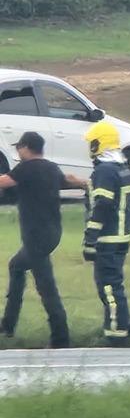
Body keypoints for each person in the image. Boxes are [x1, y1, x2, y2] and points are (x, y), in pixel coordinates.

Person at [0, 131, 86, 348]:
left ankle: (60, 338)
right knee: (16, 266)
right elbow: (67, 181)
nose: (18, 152)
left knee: (46, 286)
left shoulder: (26, 168)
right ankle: (8, 325)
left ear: (27, 147)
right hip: (52, 234)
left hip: (36, 236)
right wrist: (84, 183)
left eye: (19, 147)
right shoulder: (51, 167)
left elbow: (4, 182)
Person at [82, 121, 130, 343]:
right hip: (121, 237)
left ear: (98, 144)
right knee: (115, 284)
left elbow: (103, 205)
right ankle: (126, 326)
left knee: (108, 287)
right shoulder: (121, 169)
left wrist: (90, 238)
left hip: (108, 238)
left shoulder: (104, 171)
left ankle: (116, 332)